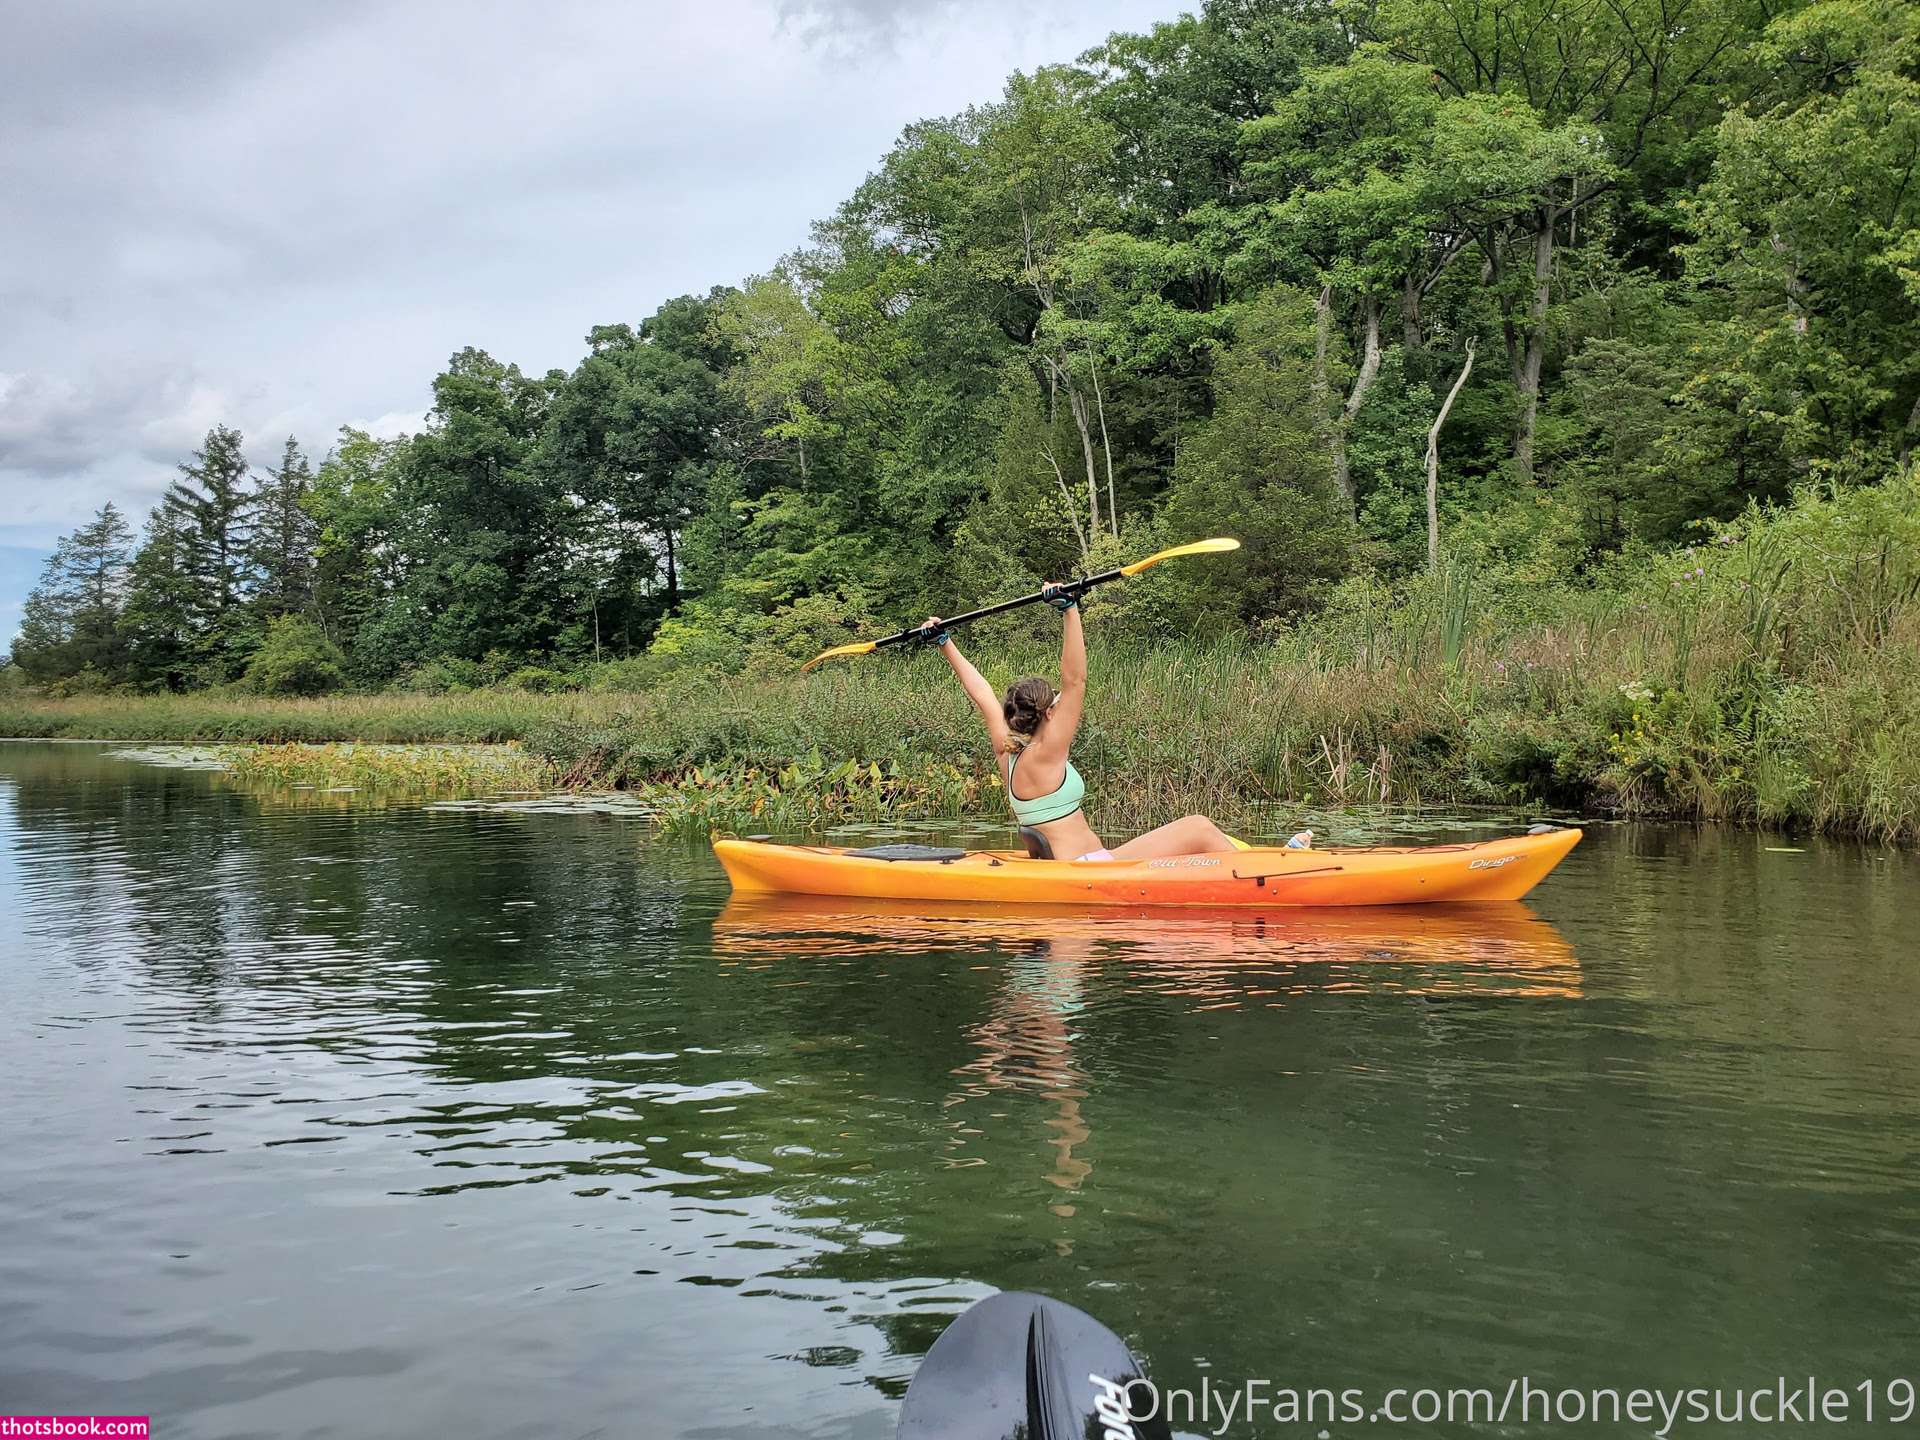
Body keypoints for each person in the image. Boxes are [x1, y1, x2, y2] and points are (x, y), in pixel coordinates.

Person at [919, 583, 1243, 863]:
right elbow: (1075, 681)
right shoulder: (1048, 751)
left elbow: (982, 693)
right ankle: (1262, 881)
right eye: (1056, 701)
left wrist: (943, 641)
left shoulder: (1009, 755)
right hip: (1088, 867)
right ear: (1047, 714)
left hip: (1091, 863)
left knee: (1203, 834)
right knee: (1199, 826)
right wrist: (1069, 608)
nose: (1062, 701)